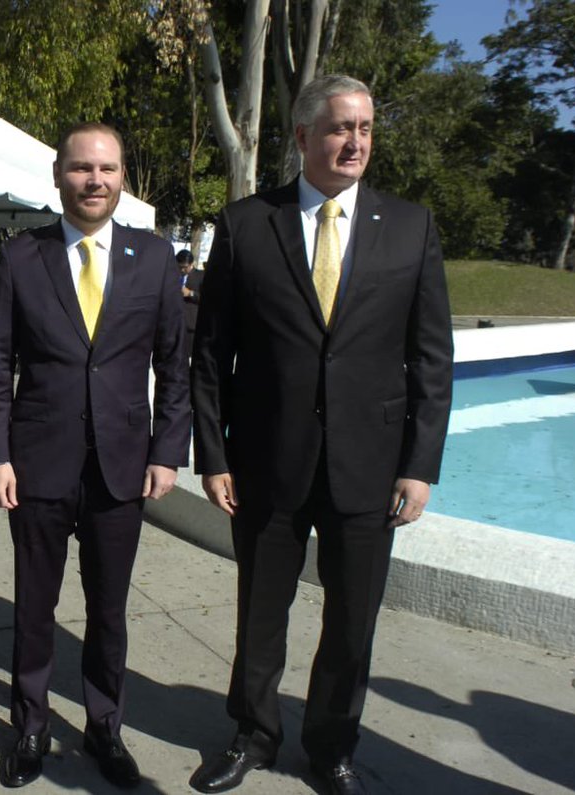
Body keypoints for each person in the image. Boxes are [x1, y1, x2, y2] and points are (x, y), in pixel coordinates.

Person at [188, 75, 453, 795]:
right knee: (260, 612)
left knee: (351, 622)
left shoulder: (411, 226)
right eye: (339, 127)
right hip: (267, 463)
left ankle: (331, 744)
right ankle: (253, 732)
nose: (355, 140)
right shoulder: (247, 224)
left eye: (365, 127)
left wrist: (420, 464)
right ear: (303, 136)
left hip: (370, 469)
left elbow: (431, 356)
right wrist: (212, 455)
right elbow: (210, 354)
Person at [0, 122, 192, 789]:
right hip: (37, 462)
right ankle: (31, 725)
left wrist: (167, 450)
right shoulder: (20, 257)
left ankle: (105, 724)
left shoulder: (156, 258)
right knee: (34, 606)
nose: (94, 180)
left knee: (108, 609)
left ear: (124, 175)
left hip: (121, 467)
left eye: (106, 168)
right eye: (80, 168)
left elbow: (173, 363)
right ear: (58, 175)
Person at [177, 249, 205, 357]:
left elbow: (207, 299)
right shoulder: (175, 275)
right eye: (180, 267)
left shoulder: (200, 276)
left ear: (191, 264)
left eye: (185, 267)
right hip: (176, 324)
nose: (182, 270)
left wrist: (191, 293)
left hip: (191, 326)